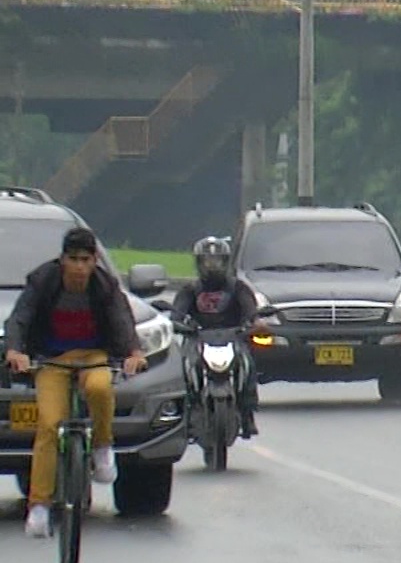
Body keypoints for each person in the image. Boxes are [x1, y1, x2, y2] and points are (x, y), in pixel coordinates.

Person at [3, 227, 147, 539]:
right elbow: (20, 318)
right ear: (62, 260)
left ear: (95, 260)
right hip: (51, 360)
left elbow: (121, 320)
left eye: (86, 260)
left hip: (93, 357)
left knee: (99, 388)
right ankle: (39, 506)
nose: (80, 267)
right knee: (49, 425)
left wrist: (133, 353)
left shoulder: (104, 285)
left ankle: (102, 446)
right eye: (73, 260)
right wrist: (16, 351)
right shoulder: (43, 281)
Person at [169, 236, 268, 439]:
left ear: (226, 262)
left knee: (247, 364)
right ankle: (185, 412)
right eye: (207, 261)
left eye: (217, 261)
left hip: (232, 336)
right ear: (199, 263)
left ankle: (247, 411)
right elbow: (176, 313)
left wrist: (256, 321)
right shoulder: (191, 290)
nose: (212, 266)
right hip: (198, 337)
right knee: (182, 367)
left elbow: (250, 309)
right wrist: (175, 323)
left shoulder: (238, 288)